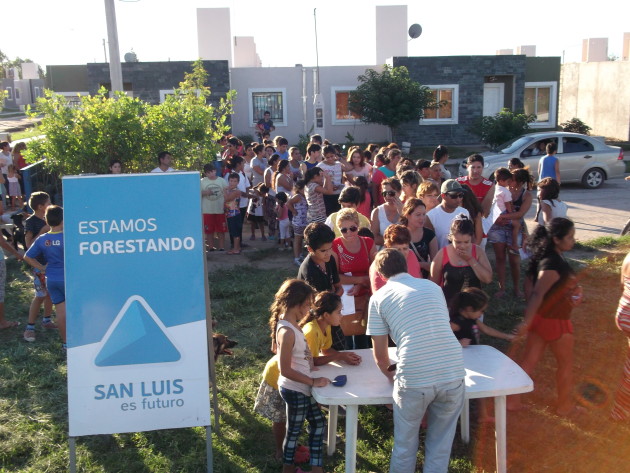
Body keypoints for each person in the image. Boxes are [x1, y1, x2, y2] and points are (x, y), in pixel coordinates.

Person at [367, 248, 465, 473]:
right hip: (452, 370)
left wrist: (393, 377)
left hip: (413, 376)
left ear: (380, 275)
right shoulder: (433, 288)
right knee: (440, 445)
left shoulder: (378, 299)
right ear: (406, 265)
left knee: (405, 444)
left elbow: (381, 356)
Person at [254, 289, 361, 461]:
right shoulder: (310, 330)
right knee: (280, 418)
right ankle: (280, 453)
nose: (342, 315)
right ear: (326, 314)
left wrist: (342, 356)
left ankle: (291, 448)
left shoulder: (325, 328)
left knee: (294, 420)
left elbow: (323, 351)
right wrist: (339, 357)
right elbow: (311, 360)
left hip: (296, 377)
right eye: (339, 311)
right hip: (279, 376)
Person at [508, 218, 583, 416]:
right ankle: (564, 406)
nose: (573, 240)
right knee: (565, 364)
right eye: (570, 237)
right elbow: (537, 293)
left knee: (529, 361)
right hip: (555, 322)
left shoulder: (550, 256)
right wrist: (526, 321)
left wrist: (574, 290)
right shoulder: (552, 263)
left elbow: (536, 287)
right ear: (557, 239)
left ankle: (512, 401)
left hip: (542, 321)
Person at [271, 280, 329, 473]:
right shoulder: (287, 331)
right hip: (295, 389)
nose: (308, 310)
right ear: (295, 303)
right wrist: (313, 381)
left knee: (318, 423)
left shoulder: (290, 324)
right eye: (306, 305)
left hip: (303, 387)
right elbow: (285, 369)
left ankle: (316, 468)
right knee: (294, 431)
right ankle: (287, 469)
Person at [449, 288, 514, 422]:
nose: (481, 314)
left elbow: (486, 330)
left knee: (481, 385)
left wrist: (507, 336)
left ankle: (482, 415)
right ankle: (455, 415)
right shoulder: (456, 322)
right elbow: (441, 336)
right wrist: (458, 343)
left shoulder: (472, 319)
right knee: (461, 387)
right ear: (468, 308)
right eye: (481, 311)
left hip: (475, 358)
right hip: (461, 361)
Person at [332, 208, 377, 349]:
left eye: (352, 228)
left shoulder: (368, 242)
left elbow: (376, 271)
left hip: (366, 297)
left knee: (364, 340)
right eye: (344, 230)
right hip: (346, 299)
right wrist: (360, 281)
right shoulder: (335, 245)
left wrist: (363, 285)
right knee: (346, 338)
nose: (349, 233)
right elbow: (334, 276)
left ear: (358, 225)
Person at [24, 205, 66, 350]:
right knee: (74, 312)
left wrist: (42, 268)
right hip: (68, 279)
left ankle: (66, 344)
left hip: (51, 279)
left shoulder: (43, 239)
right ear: (63, 220)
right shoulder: (68, 237)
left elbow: (27, 256)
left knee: (60, 313)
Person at [297, 222, 345, 351]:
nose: (328, 253)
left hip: (330, 312)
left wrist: (334, 297)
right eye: (323, 250)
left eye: (331, 248)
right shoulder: (309, 270)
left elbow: (339, 286)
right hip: (315, 319)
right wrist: (334, 298)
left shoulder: (330, 260)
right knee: (320, 354)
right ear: (310, 249)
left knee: (340, 347)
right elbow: (317, 304)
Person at [489, 168, 534, 299]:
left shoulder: (526, 196)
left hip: (513, 227)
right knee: (500, 258)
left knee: (515, 261)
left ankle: (516, 289)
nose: (509, 181)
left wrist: (502, 218)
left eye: (512, 180)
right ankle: (501, 288)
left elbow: (520, 214)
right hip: (498, 227)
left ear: (519, 182)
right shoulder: (502, 190)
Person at [430, 215, 493, 308]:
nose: (462, 246)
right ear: (451, 238)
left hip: (473, 308)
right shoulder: (442, 254)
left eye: (466, 242)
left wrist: (470, 259)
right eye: (458, 242)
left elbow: (487, 279)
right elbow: (433, 284)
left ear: (472, 237)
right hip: (449, 307)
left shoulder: (478, 251)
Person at [23, 191, 55, 342]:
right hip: (38, 265)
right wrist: (42, 231)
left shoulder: (50, 219)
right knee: (40, 296)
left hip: (50, 264)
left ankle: (47, 320)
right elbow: (28, 245)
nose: (51, 205)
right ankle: (29, 327)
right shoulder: (31, 222)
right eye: (48, 203)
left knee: (49, 294)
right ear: (41, 206)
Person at [369, 224, 421, 293]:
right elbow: (379, 295)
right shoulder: (378, 265)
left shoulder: (411, 254)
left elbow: (418, 280)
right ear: (387, 247)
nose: (402, 253)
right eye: (398, 249)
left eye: (405, 248)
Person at [611, 251, 630, 420]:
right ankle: (621, 411)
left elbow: (622, 285)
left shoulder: (628, 257)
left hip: (624, 311)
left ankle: (621, 409)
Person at [426, 179, 470, 249]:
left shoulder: (464, 213)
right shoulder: (431, 216)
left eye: (461, 195)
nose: (458, 199)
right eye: (454, 196)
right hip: (442, 258)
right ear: (443, 196)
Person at [401, 198, 437, 278]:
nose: (422, 218)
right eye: (418, 215)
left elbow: (435, 264)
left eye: (424, 214)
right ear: (407, 215)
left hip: (424, 279)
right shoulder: (398, 234)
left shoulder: (429, 234)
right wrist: (420, 264)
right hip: (403, 278)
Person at [201, 164, 228, 252]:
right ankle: (211, 247)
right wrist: (205, 192)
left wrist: (226, 205)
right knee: (209, 230)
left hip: (220, 209)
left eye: (212, 171)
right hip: (207, 210)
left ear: (215, 171)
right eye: (208, 173)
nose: (211, 174)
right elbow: (196, 193)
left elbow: (227, 193)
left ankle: (221, 247)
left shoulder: (222, 181)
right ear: (205, 173)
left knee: (221, 230)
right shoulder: (202, 181)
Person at [370, 177, 403, 247]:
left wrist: (402, 214)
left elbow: (410, 232)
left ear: (399, 192)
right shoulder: (377, 211)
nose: (387, 196)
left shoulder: (407, 209)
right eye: (384, 193)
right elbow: (374, 237)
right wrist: (393, 243)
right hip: (384, 252)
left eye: (391, 193)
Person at [317, 145, 347, 215]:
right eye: (327, 157)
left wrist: (340, 159)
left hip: (339, 193)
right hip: (327, 194)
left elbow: (349, 168)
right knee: (330, 214)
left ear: (335, 155)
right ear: (323, 156)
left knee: (339, 214)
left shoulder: (339, 164)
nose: (330, 159)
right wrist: (329, 186)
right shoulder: (320, 166)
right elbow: (317, 180)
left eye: (332, 156)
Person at [287, 180, 308, 266]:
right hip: (298, 221)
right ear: (299, 189)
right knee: (297, 239)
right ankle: (296, 257)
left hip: (304, 221)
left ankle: (300, 255)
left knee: (302, 240)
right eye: (304, 189)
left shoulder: (304, 196)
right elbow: (288, 203)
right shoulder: (298, 196)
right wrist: (293, 211)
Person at [224, 173, 242, 255]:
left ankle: (236, 249)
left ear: (238, 182)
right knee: (233, 232)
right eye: (231, 181)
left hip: (234, 214)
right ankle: (237, 247)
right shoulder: (231, 190)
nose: (232, 183)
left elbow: (227, 199)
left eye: (235, 181)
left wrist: (224, 190)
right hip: (230, 214)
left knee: (235, 232)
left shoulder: (236, 191)